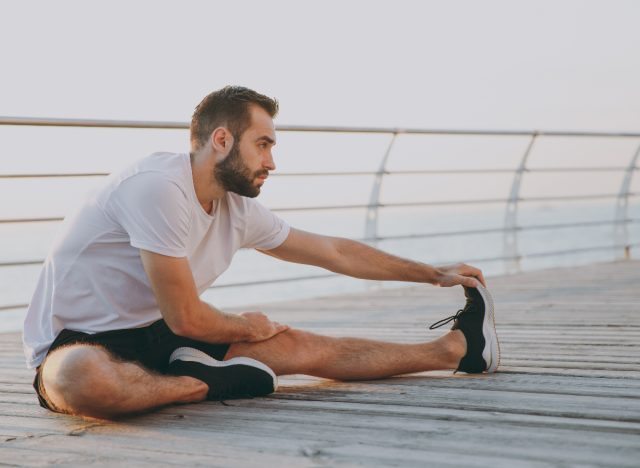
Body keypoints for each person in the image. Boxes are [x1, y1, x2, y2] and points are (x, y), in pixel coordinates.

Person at [23, 86, 499, 420]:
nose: (272, 161)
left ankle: (456, 349)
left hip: (164, 337)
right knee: (82, 380)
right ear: (222, 140)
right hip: (83, 341)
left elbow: (333, 251)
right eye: (263, 144)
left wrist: (432, 273)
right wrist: (246, 327)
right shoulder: (157, 188)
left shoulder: (238, 207)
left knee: (304, 347)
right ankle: (203, 383)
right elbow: (188, 317)